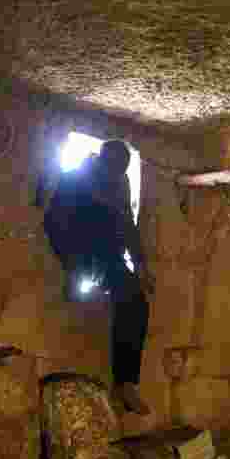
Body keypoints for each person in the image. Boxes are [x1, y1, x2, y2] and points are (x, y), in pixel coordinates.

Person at [44, 139, 155, 414]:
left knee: (136, 300)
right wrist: (73, 266)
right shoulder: (73, 179)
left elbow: (127, 224)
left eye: (122, 171)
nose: (116, 175)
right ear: (101, 161)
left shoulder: (121, 183)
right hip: (81, 250)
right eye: (113, 168)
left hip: (109, 257)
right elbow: (54, 224)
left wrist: (141, 265)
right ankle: (82, 274)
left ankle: (126, 383)